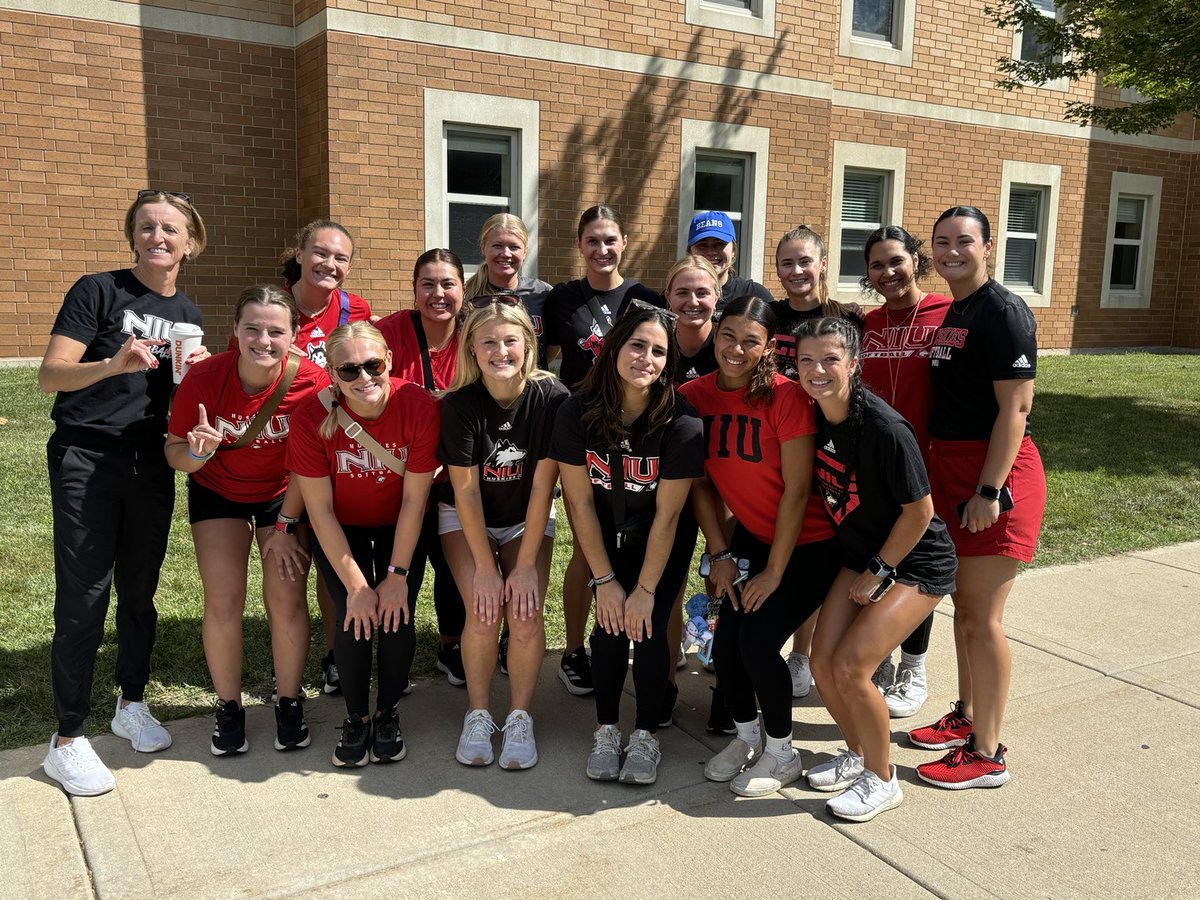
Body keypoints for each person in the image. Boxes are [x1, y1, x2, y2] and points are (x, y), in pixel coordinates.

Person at [38, 189, 208, 796]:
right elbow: (49, 375)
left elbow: (182, 404)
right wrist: (113, 364)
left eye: (169, 229)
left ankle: (130, 704)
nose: (157, 237)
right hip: (87, 454)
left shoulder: (188, 313)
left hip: (149, 462)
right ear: (132, 235)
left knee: (140, 590)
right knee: (84, 592)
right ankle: (67, 738)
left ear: (190, 243)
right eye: (146, 227)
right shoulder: (98, 290)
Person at [796, 317, 957, 821]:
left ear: (854, 363)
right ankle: (860, 754)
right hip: (862, 554)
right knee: (822, 662)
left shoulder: (885, 428)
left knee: (851, 667)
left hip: (915, 562)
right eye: (806, 360)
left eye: (830, 359)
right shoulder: (815, 416)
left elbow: (920, 512)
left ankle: (883, 779)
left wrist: (882, 569)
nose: (817, 370)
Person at [907, 206, 1046, 790]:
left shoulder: (1004, 311)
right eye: (942, 242)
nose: (951, 251)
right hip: (951, 469)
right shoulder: (958, 310)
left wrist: (990, 488)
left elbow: (1016, 408)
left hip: (993, 475)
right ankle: (967, 717)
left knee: (983, 619)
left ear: (988, 246)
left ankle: (987, 752)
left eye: (964, 241)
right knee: (962, 611)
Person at [680, 296, 840, 798]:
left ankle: (783, 751)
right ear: (714, 333)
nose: (736, 348)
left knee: (757, 641)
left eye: (751, 340)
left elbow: (796, 492)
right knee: (725, 646)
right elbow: (699, 483)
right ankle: (748, 739)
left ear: (769, 346)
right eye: (728, 335)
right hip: (747, 537)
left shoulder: (787, 397)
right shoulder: (693, 395)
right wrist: (722, 553)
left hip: (810, 543)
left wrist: (774, 571)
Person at [166, 285, 327, 755]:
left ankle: (289, 702)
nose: (263, 339)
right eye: (252, 328)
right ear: (234, 331)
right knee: (222, 598)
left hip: (283, 495)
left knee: (287, 596)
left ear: (294, 336)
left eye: (276, 331)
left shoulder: (311, 383)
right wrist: (197, 453)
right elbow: (173, 452)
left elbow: (310, 465)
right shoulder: (205, 378)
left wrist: (285, 524)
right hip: (217, 490)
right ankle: (228, 706)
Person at [550, 301, 703, 785]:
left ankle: (646, 735)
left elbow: (670, 513)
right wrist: (606, 580)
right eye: (638, 344)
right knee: (610, 624)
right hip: (605, 532)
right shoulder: (575, 412)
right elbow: (578, 504)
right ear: (615, 346)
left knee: (650, 624)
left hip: (663, 536)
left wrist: (645, 588)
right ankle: (607, 728)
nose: (647, 358)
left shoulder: (683, 421)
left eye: (659, 351)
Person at [286, 322, 440, 767]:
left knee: (396, 613)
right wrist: (356, 586)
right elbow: (320, 512)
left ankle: (387, 713)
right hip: (343, 527)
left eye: (372, 365)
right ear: (331, 373)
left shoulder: (417, 404)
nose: (363, 378)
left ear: (388, 361)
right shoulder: (310, 417)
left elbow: (415, 499)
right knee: (355, 617)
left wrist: (395, 577)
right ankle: (356, 717)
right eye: (348, 370)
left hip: (400, 523)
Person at [229, 220, 372, 697]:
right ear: (299, 252)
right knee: (291, 572)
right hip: (271, 462)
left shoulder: (355, 310)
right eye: (321, 253)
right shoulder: (271, 309)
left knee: (331, 564)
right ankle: (287, 667)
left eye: (341, 257)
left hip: (328, 461)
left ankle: (333, 655)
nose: (330, 264)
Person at [440, 300, 568, 769]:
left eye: (510, 340)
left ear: (528, 345)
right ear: (472, 349)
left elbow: (542, 486)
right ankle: (478, 713)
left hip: (525, 517)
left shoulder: (553, 397)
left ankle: (518, 716)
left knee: (526, 612)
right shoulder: (459, 404)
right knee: (483, 606)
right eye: (488, 341)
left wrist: (526, 565)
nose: (500, 350)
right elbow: (466, 492)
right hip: (464, 516)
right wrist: (485, 570)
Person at [542, 205, 664, 698]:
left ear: (625, 242)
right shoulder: (561, 301)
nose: (602, 249)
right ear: (580, 245)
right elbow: (545, 361)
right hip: (584, 431)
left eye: (610, 240)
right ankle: (574, 650)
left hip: (639, 432)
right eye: (592, 240)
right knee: (585, 547)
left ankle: (652, 649)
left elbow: (660, 360)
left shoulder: (646, 298)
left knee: (645, 541)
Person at [858, 226, 953, 717]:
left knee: (915, 568)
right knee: (879, 559)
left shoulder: (945, 316)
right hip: (876, 469)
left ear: (916, 260)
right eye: (877, 265)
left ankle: (913, 664)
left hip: (928, 464)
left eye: (896, 260)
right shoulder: (867, 325)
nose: (888, 272)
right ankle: (880, 659)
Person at [771, 225, 861, 701]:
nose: (797, 271)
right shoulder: (768, 315)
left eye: (805, 261)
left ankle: (802, 654)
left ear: (823, 262)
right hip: (777, 443)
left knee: (815, 545)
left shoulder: (846, 318)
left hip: (829, 439)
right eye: (787, 263)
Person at [376, 250, 468, 686]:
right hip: (400, 475)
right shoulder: (389, 333)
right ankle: (396, 656)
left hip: (457, 477)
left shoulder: (474, 334)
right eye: (427, 284)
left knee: (452, 570)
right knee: (402, 571)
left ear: (463, 290)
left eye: (448, 284)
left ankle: (452, 646)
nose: (438, 293)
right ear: (414, 290)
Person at [462, 213, 552, 365]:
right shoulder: (468, 297)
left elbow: (552, 347)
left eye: (514, 247)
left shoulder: (543, 294)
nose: (505, 253)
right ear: (484, 248)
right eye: (497, 245)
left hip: (533, 385)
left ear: (525, 253)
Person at [685, 211, 773, 312]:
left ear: (733, 251)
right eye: (702, 245)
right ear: (689, 251)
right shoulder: (675, 296)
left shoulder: (754, 295)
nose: (710, 252)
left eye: (719, 244)